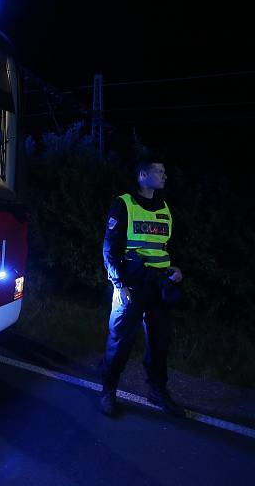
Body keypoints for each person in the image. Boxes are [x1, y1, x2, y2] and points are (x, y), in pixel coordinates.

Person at [99, 156, 185, 418]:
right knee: (121, 340)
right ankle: (108, 391)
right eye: (159, 171)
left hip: (159, 286)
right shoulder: (123, 204)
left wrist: (177, 269)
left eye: (164, 171)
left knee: (160, 343)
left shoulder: (165, 207)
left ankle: (157, 391)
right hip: (132, 285)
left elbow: (167, 247)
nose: (164, 175)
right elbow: (109, 250)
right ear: (142, 175)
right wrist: (119, 284)